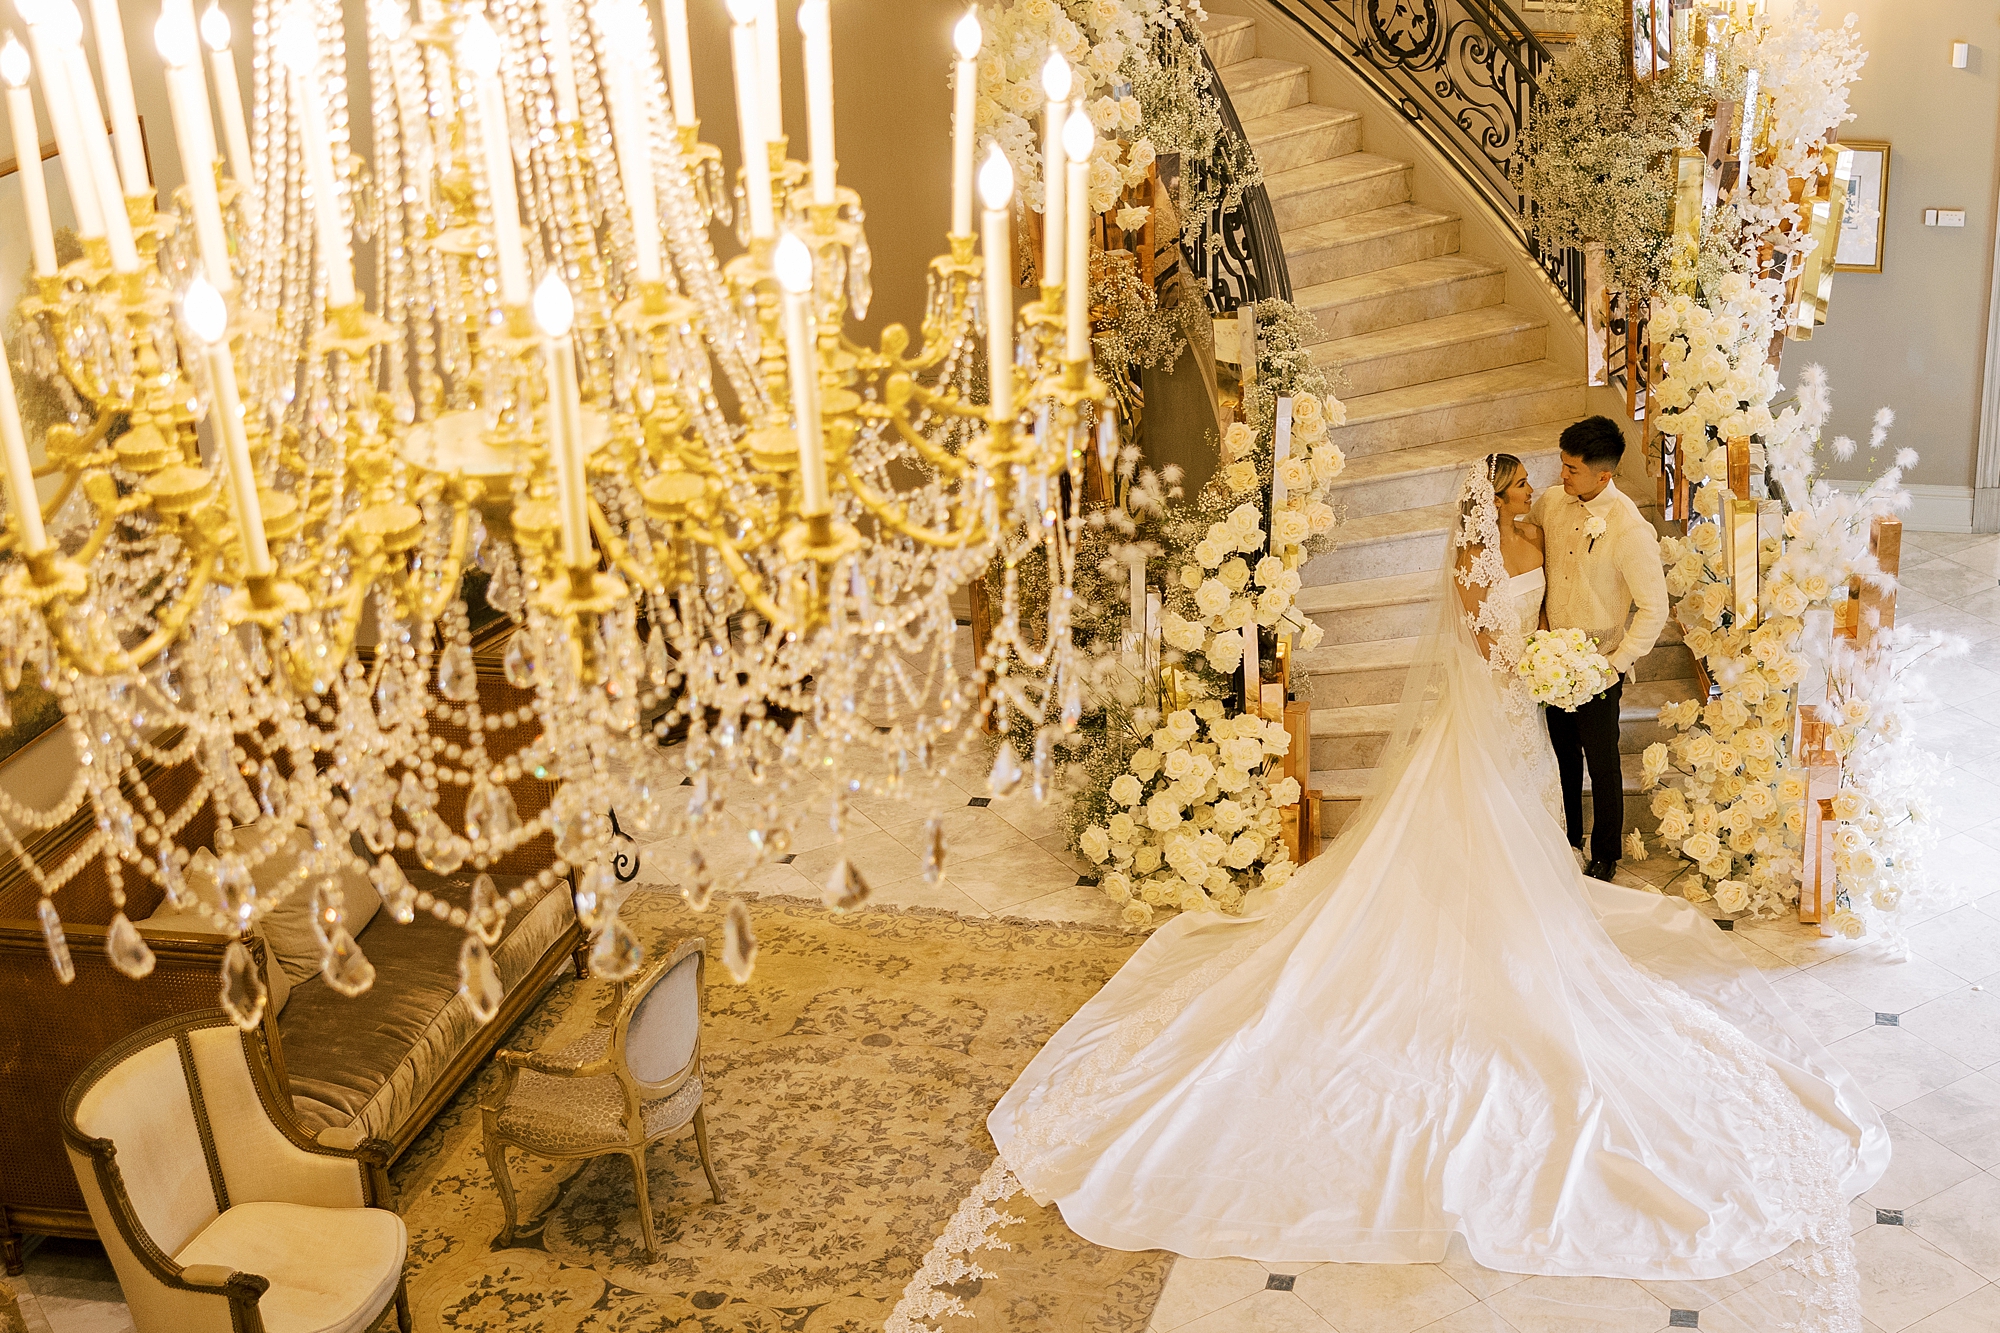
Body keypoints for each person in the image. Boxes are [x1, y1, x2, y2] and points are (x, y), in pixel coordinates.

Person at [985, 459, 1885, 1329]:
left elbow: (1554, 606)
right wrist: (1524, 668)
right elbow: (1474, 632)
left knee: (1532, 813)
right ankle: (1465, 926)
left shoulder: (1547, 531)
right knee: (1464, 824)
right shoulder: (1475, 551)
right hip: (1487, 704)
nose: (1530, 491)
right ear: (1490, 498)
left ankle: (1525, 915)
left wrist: (1558, 664)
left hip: (1527, 706)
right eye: (1518, 485)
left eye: (1535, 481)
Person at [1530, 416, 1669, 882]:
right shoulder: (1552, 502)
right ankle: (1566, 839)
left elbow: (1654, 608)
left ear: (1603, 475)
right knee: (1561, 756)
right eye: (1562, 464)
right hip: (1551, 662)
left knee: (1602, 762)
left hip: (1598, 668)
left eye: (1571, 469)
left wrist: (1614, 665)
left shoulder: (1629, 529)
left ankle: (1605, 851)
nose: (1561, 475)